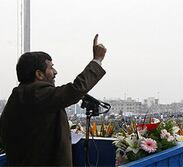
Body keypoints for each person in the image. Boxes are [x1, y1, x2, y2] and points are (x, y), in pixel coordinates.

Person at [0, 34, 107, 166]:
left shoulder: (22, 96)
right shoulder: (34, 94)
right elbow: (75, 90)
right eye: (51, 67)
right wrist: (97, 60)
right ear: (39, 74)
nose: (55, 71)